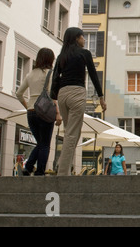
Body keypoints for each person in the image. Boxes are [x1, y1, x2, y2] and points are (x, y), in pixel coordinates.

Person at [50, 27, 107, 176]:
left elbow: (55, 76)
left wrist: (54, 97)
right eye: (82, 37)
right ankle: (62, 172)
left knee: (72, 132)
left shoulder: (62, 56)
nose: (84, 39)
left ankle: (64, 167)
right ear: (76, 38)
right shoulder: (84, 53)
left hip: (62, 94)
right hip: (76, 93)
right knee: (71, 133)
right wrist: (101, 97)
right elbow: (94, 75)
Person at [16, 48, 62, 176]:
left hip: (31, 111)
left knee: (40, 143)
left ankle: (29, 167)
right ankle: (39, 172)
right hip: (45, 112)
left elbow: (19, 93)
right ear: (50, 59)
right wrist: (58, 113)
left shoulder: (30, 74)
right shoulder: (51, 74)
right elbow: (53, 96)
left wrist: (28, 106)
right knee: (45, 144)